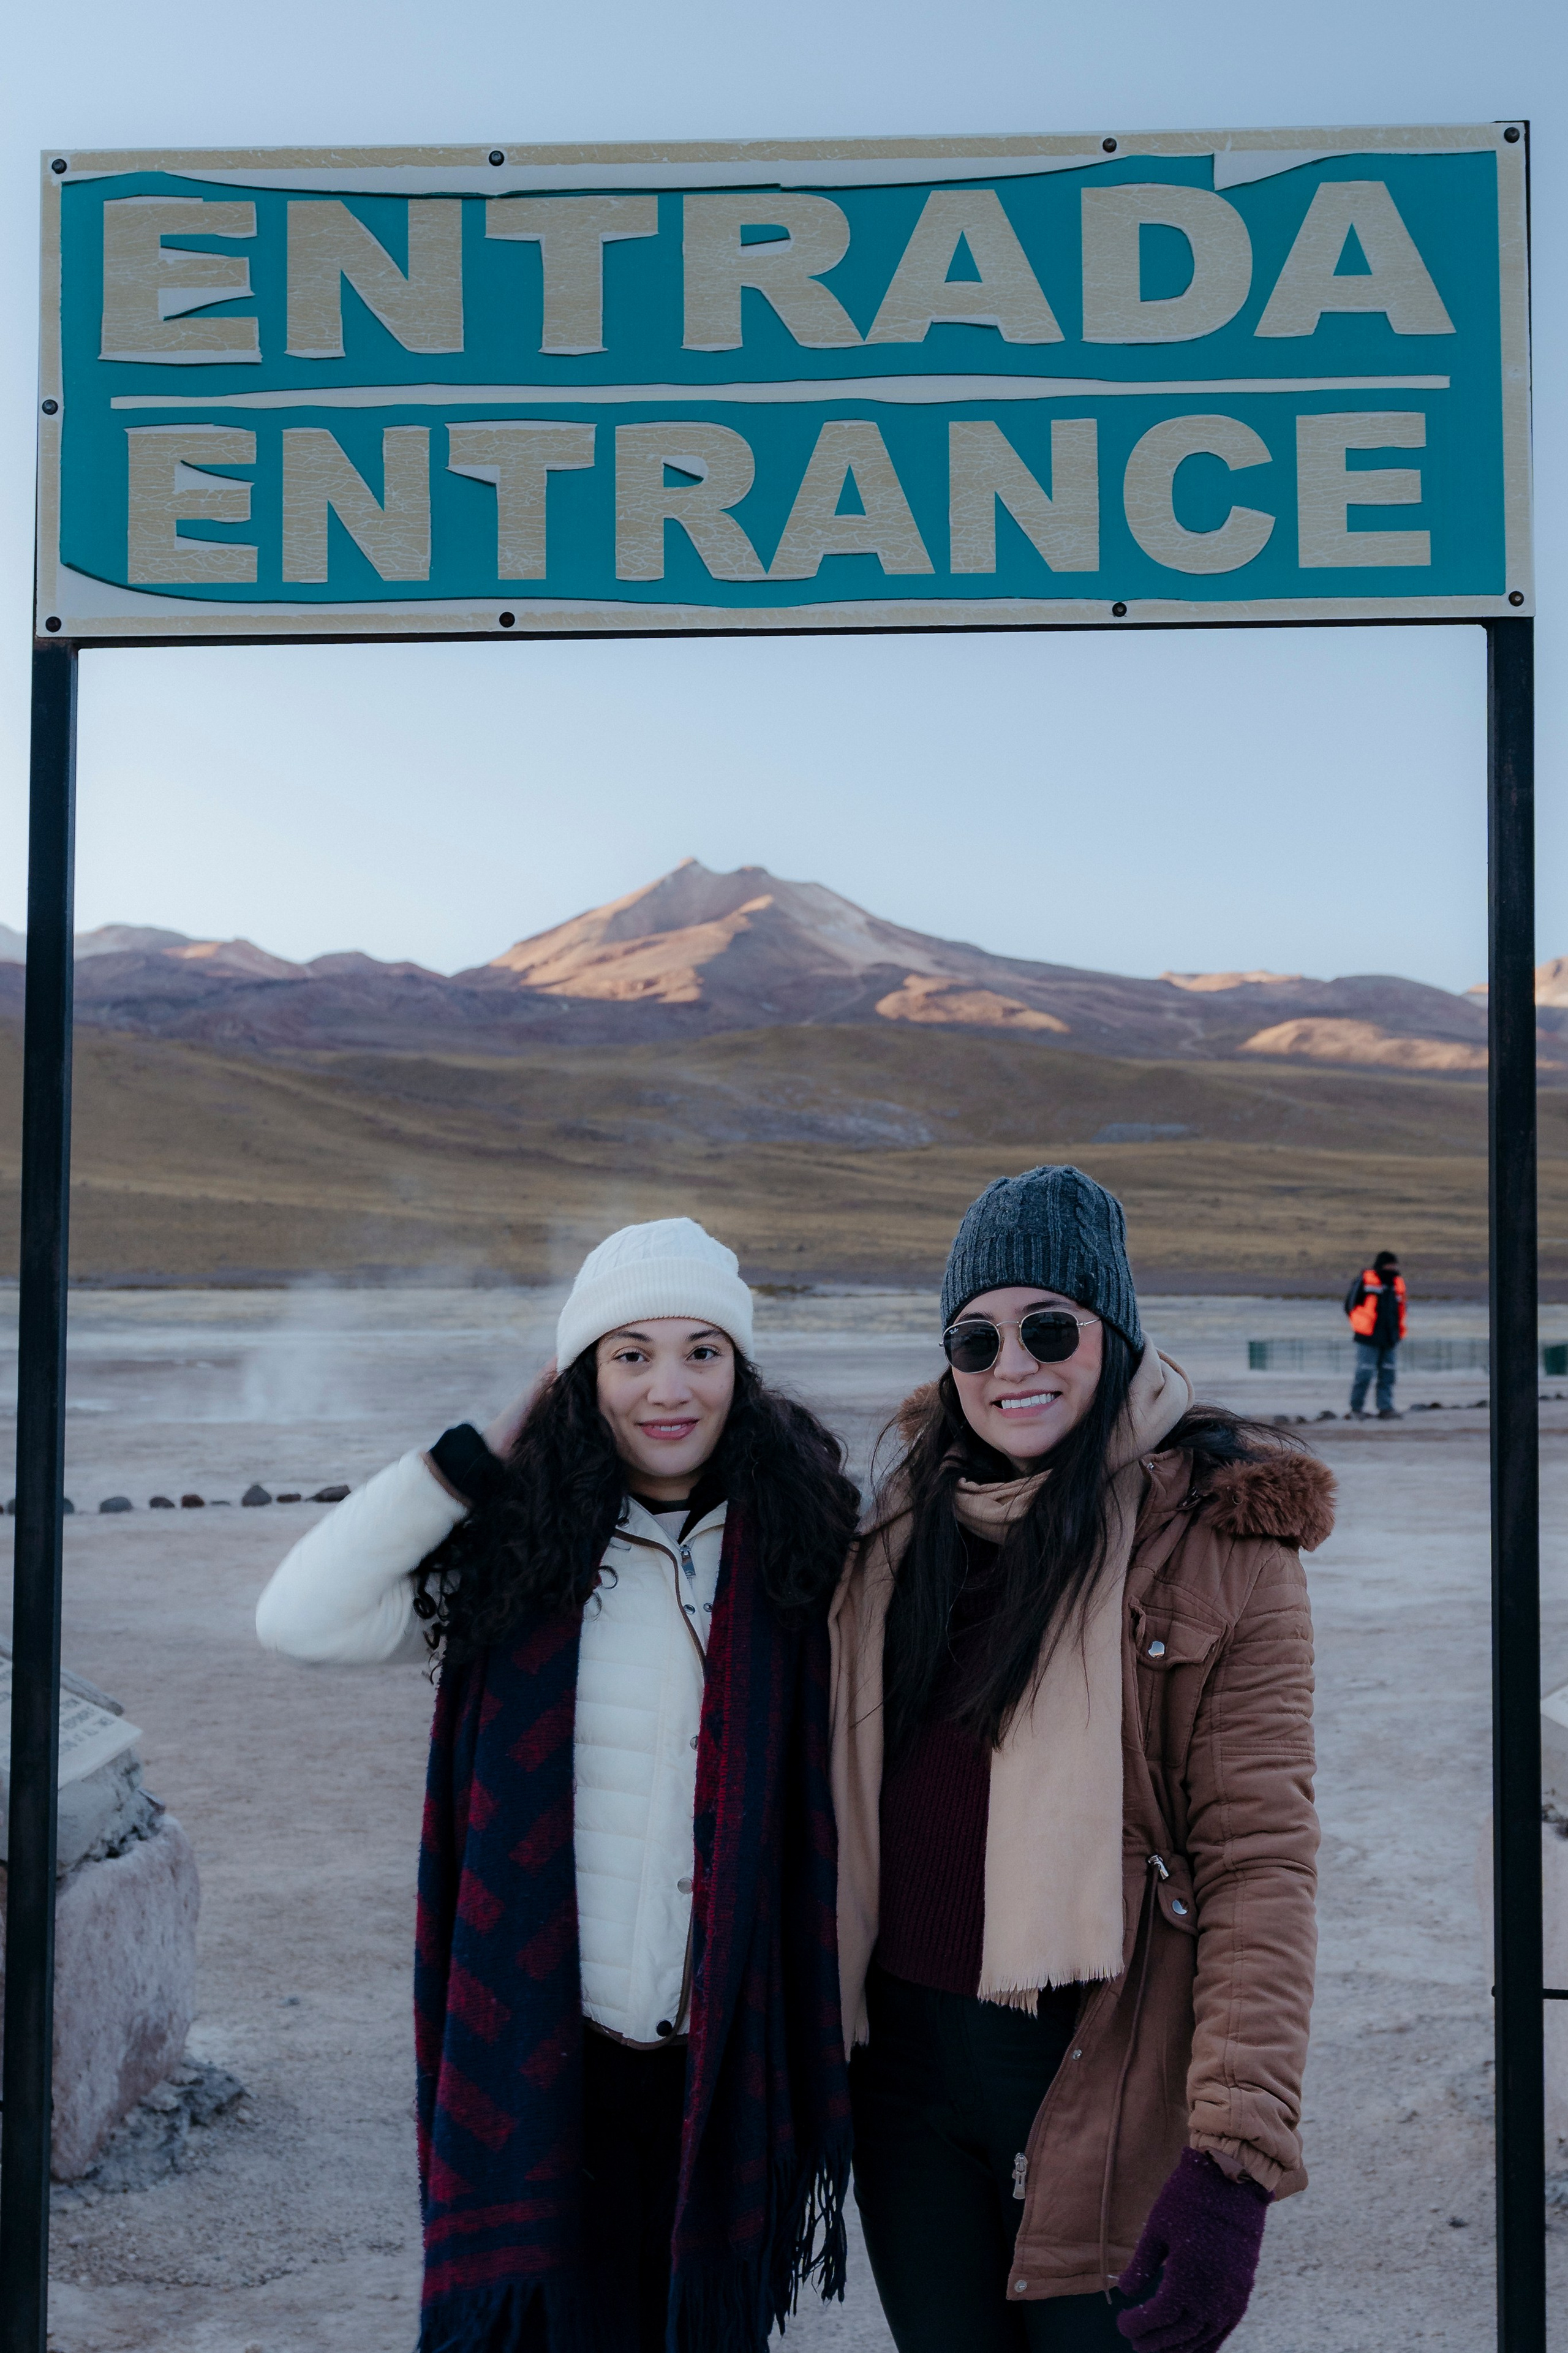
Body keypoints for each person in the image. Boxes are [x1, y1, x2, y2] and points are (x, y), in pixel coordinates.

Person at [255, 1217, 860, 2353]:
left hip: (716, 2064)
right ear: (580, 1378)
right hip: (546, 2065)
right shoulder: (517, 1557)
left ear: (742, 1368)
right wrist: (472, 1457)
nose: (668, 1388)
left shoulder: (805, 1551)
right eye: (630, 1354)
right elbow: (299, 1619)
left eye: (701, 1351)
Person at [830, 1166, 1330, 2353]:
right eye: (976, 1336)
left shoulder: (1218, 1538)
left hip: (1094, 2071)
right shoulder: (894, 1533)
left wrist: (1233, 2163)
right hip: (901, 2083)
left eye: (1048, 1326)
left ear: (1111, 1332)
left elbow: (1257, 1863)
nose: (1012, 1364)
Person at [1345, 1251, 1408, 1419]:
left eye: (1394, 1264)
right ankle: (1356, 1409)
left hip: (1390, 1338)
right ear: (1382, 1264)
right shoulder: (1366, 1280)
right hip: (1368, 1338)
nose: (1393, 1267)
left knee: (1388, 1376)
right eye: (1390, 1264)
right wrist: (1361, 1327)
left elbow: (1402, 1309)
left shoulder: (1397, 1283)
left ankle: (1385, 1408)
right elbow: (1350, 1305)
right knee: (1364, 1374)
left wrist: (1398, 1332)